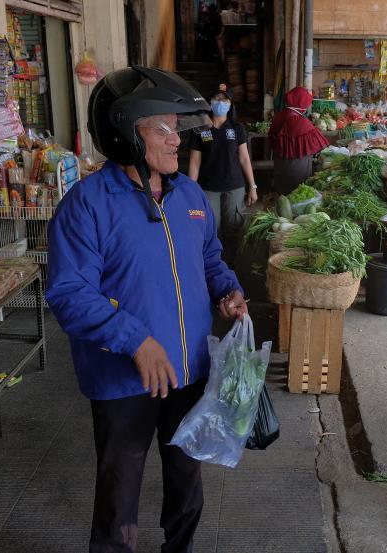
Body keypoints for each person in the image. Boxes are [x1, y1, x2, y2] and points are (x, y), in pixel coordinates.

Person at [46, 67, 249, 552]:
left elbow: (208, 257)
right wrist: (135, 340)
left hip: (188, 367)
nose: (176, 140)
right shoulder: (87, 205)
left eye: (176, 129)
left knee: (187, 478)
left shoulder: (189, 195)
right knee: (119, 491)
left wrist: (227, 290)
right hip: (123, 380)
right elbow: (70, 292)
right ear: (123, 132)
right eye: (162, 128)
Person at [189, 85, 257, 244]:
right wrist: (191, 190)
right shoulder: (200, 128)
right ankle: (213, 263)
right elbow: (194, 161)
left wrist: (252, 186)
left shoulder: (237, 128)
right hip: (208, 187)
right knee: (211, 227)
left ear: (230, 103)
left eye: (224, 99)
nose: (220, 103)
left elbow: (244, 158)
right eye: (216, 99)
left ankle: (231, 263)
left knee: (234, 227)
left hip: (234, 186)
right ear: (209, 102)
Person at [268, 86, 329, 194]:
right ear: (302, 103)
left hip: (280, 165)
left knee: (282, 196)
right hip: (296, 170)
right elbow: (320, 144)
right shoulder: (299, 121)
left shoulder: (278, 116)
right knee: (296, 196)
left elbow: (271, 139)